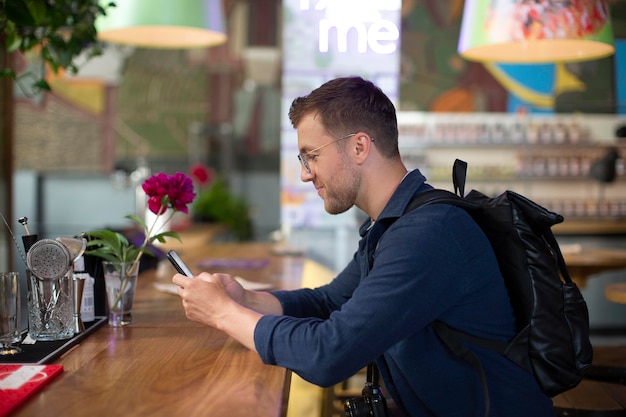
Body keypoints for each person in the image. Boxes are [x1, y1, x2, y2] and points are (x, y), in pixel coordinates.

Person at [173, 76, 554, 416]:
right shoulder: (393, 225)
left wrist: (224, 314)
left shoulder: (428, 234)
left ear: (359, 147)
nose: (306, 174)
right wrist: (248, 301)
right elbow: (331, 302)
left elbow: (328, 355)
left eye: (312, 156)